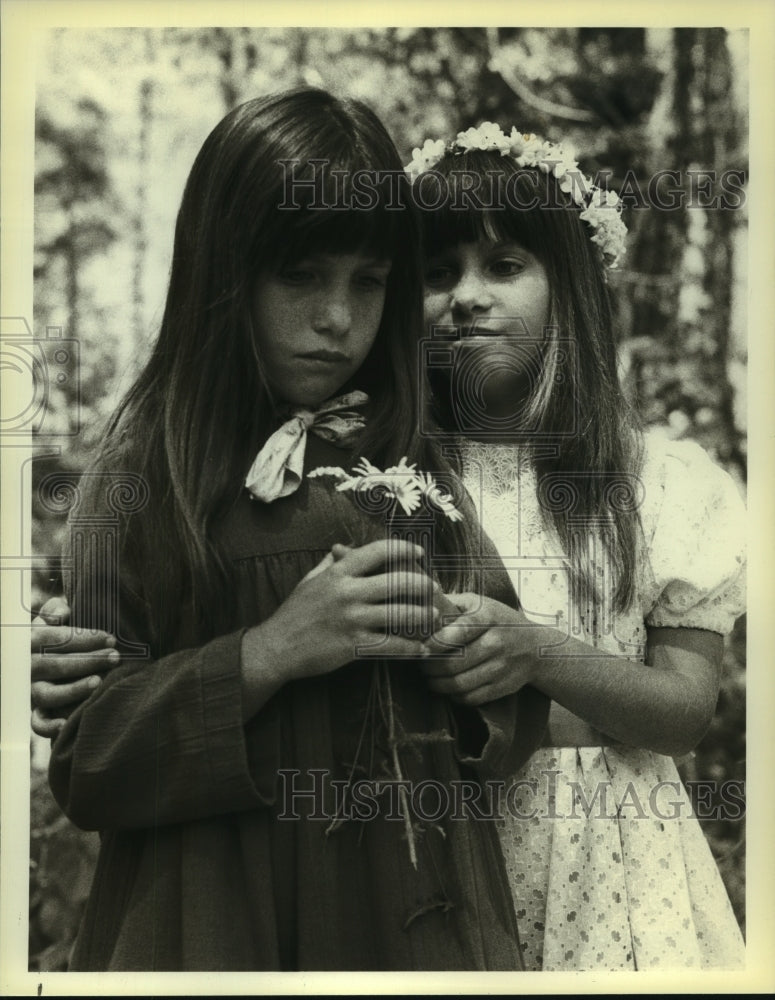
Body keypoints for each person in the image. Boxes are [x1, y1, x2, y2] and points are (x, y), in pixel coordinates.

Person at [32, 113, 747, 972]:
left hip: (415, 915)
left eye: (369, 282)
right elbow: (93, 758)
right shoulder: (149, 479)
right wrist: (263, 653)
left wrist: (484, 673)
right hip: (213, 924)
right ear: (224, 275)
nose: (336, 318)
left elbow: (506, 722)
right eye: (300, 275)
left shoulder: (406, 479)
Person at [405, 122, 747, 970]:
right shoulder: (392, 474)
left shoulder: (657, 479)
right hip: (435, 836)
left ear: (571, 289)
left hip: (612, 855)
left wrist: (534, 652)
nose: (466, 296)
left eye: (505, 265)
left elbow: (680, 712)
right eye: (437, 273)